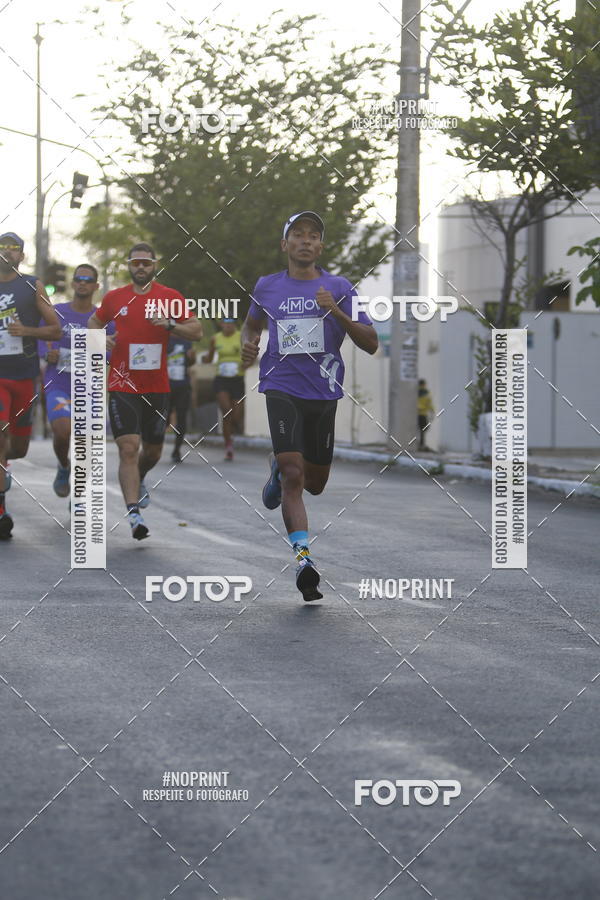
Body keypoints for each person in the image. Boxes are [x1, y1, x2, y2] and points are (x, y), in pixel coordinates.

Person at [241, 211, 378, 601]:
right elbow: (251, 325)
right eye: (297, 235)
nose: (305, 241)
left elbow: (370, 342)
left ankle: (277, 468)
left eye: (313, 235)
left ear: (320, 246)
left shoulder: (339, 287)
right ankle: (304, 560)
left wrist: (336, 311)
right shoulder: (267, 287)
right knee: (293, 475)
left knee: (314, 484)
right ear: (285, 245)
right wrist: (249, 344)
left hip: (323, 392)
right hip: (280, 386)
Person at [88, 243, 202, 540]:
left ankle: (141, 478)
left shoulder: (170, 297)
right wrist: (100, 341)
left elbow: (197, 331)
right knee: (128, 448)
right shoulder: (115, 298)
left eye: (146, 263)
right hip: (122, 384)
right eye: (136, 263)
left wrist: (169, 324)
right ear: (129, 265)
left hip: (157, 387)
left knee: (152, 452)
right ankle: (133, 513)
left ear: (155, 265)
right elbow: (93, 323)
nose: (141, 268)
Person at [0, 232, 62, 538]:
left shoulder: (31, 285)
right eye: (2, 248)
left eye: (14, 249)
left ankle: (5, 466)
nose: (7, 252)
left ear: (21, 256)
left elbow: (55, 329)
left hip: (23, 375)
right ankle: (1, 510)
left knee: (18, 447)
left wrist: (26, 330)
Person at [39, 264, 114, 497]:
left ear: (96, 286)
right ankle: (64, 466)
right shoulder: (57, 312)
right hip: (59, 383)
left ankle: (80, 495)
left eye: (88, 279)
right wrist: (47, 352)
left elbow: (111, 353)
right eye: (78, 279)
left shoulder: (104, 319)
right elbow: (43, 338)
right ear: (72, 284)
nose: (82, 283)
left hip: (89, 389)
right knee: (62, 432)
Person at [202, 318, 244, 461]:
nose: (228, 326)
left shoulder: (241, 336)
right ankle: (228, 446)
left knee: (237, 415)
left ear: (234, 325)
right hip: (221, 380)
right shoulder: (216, 339)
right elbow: (210, 357)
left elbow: (249, 355)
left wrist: (247, 364)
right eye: (225, 324)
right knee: (227, 412)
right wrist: (205, 359)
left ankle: (232, 431)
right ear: (222, 325)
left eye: (231, 324)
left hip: (237, 379)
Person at [167, 334, 196, 462]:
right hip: (166, 386)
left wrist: (192, 358)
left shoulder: (186, 341)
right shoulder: (163, 338)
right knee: (165, 418)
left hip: (182, 385)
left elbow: (191, 363)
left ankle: (176, 450)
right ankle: (153, 446)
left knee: (181, 417)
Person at [417, 378, 434, 451]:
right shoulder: (426, 392)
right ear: (424, 384)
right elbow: (429, 403)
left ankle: (419, 444)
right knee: (423, 429)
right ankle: (421, 444)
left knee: (419, 429)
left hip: (416, 414)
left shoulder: (415, 392)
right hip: (423, 414)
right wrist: (432, 411)